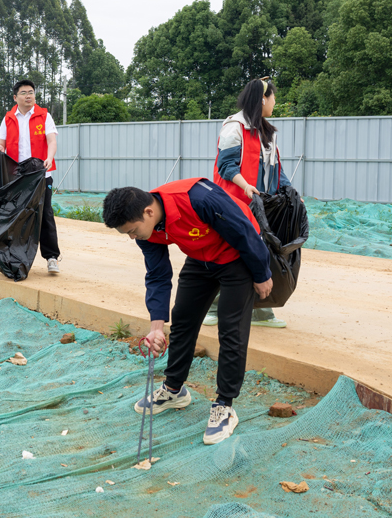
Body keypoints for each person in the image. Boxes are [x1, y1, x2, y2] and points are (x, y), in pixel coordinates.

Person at [102, 178, 272, 445]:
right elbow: (158, 275)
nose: (132, 238)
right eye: (127, 234)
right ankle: (174, 389)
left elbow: (243, 231)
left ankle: (225, 405)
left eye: (132, 231)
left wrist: (261, 272)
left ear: (148, 212)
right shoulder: (146, 230)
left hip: (237, 255)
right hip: (201, 257)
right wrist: (156, 327)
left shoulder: (198, 199)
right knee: (182, 320)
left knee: (231, 329)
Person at [204, 78, 293, 329]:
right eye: (273, 97)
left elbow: (276, 169)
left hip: (259, 205)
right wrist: (245, 187)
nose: (275, 102)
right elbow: (226, 165)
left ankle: (261, 311)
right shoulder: (234, 127)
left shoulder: (266, 131)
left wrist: (290, 192)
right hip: (232, 203)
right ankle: (212, 306)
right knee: (231, 254)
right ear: (263, 99)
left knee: (264, 253)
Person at [0, 79, 61, 275]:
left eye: (31, 92)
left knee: (45, 214)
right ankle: (16, 257)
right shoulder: (8, 119)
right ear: (16, 97)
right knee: (17, 216)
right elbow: (1, 144)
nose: (28, 96)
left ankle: (51, 257)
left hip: (41, 175)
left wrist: (49, 158)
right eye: (24, 93)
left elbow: (52, 141)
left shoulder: (44, 116)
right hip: (17, 178)